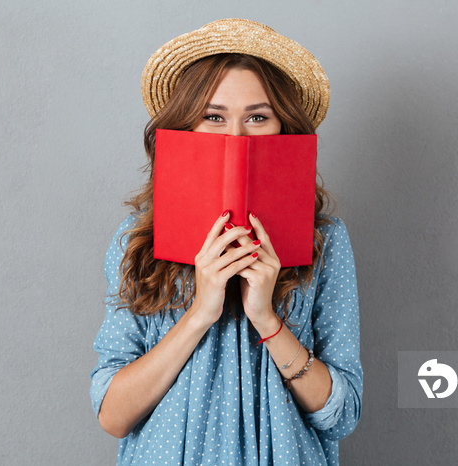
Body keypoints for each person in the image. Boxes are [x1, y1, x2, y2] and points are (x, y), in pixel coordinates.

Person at [90, 19, 362, 465]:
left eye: (257, 117)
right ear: (187, 128)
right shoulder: (136, 240)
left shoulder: (325, 242)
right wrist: (200, 312)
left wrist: (267, 318)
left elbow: (343, 414)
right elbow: (113, 416)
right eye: (213, 117)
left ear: (283, 129)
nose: (235, 137)